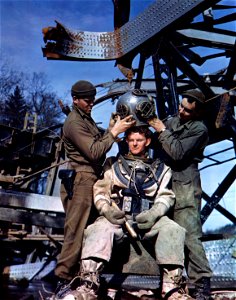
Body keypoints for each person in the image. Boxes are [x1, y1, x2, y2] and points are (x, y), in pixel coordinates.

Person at [59, 125, 194, 300]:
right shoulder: (112, 165)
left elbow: (165, 196)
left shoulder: (162, 169)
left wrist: (154, 213)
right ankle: (88, 286)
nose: (134, 144)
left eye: (138, 140)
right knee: (98, 229)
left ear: (147, 141)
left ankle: (172, 290)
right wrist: (106, 210)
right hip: (117, 217)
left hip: (148, 219)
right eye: (131, 140)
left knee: (173, 229)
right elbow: (101, 192)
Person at [53, 80, 136, 297]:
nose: (91, 103)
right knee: (75, 232)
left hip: (91, 179)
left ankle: (82, 281)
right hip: (81, 181)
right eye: (87, 101)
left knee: (88, 231)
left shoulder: (84, 118)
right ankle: (62, 282)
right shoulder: (73, 123)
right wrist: (115, 131)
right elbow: (95, 152)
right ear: (75, 100)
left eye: (92, 99)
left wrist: (109, 130)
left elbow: (97, 141)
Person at [148, 89, 212, 300]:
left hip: (185, 185)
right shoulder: (173, 120)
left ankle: (202, 283)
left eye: (186, 110)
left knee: (190, 235)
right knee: (166, 233)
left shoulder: (199, 129)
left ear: (196, 113)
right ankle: (174, 281)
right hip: (163, 183)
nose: (181, 110)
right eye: (181, 106)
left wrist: (161, 130)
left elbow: (177, 152)